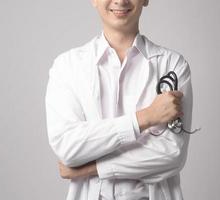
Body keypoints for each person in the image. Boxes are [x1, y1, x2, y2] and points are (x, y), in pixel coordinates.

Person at [44, 0, 193, 200]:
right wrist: (145, 118)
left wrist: (89, 168)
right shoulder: (67, 67)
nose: (120, 1)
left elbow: (171, 154)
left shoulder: (172, 65)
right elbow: (68, 147)